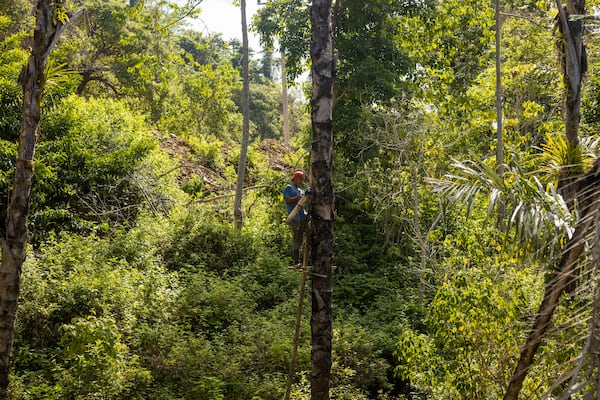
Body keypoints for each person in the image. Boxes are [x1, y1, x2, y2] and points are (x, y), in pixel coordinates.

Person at [284, 170, 308, 264]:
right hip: (294, 218)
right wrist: (298, 197)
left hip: (302, 217)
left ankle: (303, 259)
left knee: (302, 237)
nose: (301, 182)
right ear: (295, 179)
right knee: (296, 238)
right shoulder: (289, 188)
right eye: (300, 179)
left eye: (303, 180)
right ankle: (295, 260)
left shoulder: (301, 191)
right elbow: (287, 200)